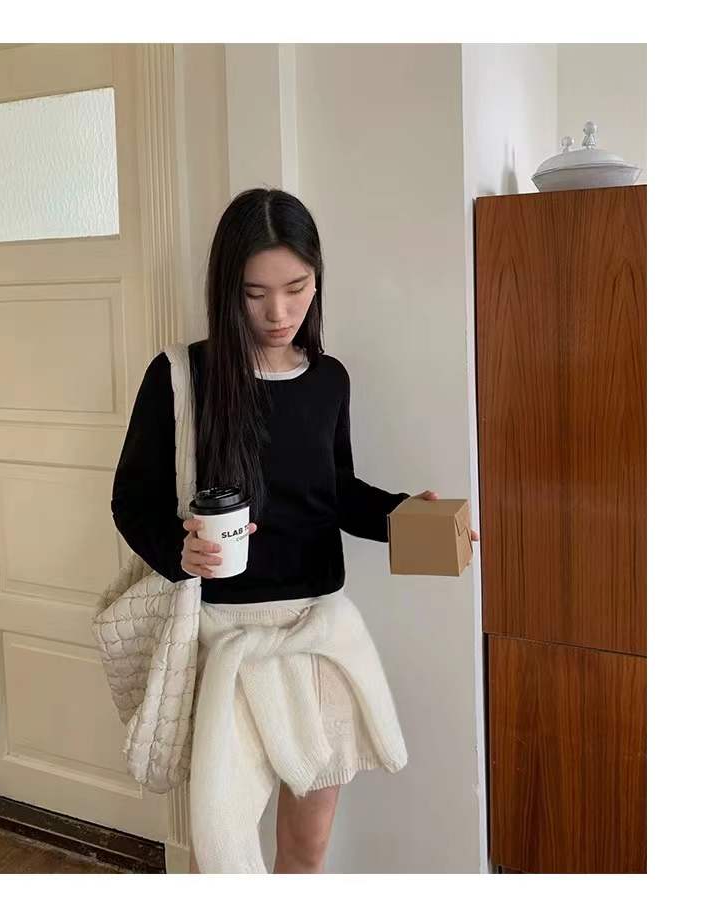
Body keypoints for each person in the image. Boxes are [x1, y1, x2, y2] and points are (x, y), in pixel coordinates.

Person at [111, 187, 479, 873]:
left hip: (317, 635)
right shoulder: (181, 377)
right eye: (255, 294)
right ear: (227, 289)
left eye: (297, 288)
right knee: (220, 859)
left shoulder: (329, 379)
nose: (278, 313)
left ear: (317, 280)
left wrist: (406, 514)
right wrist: (179, 551)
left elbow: (335, 493)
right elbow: (130, 501)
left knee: (305, 852)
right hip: (223, 642)